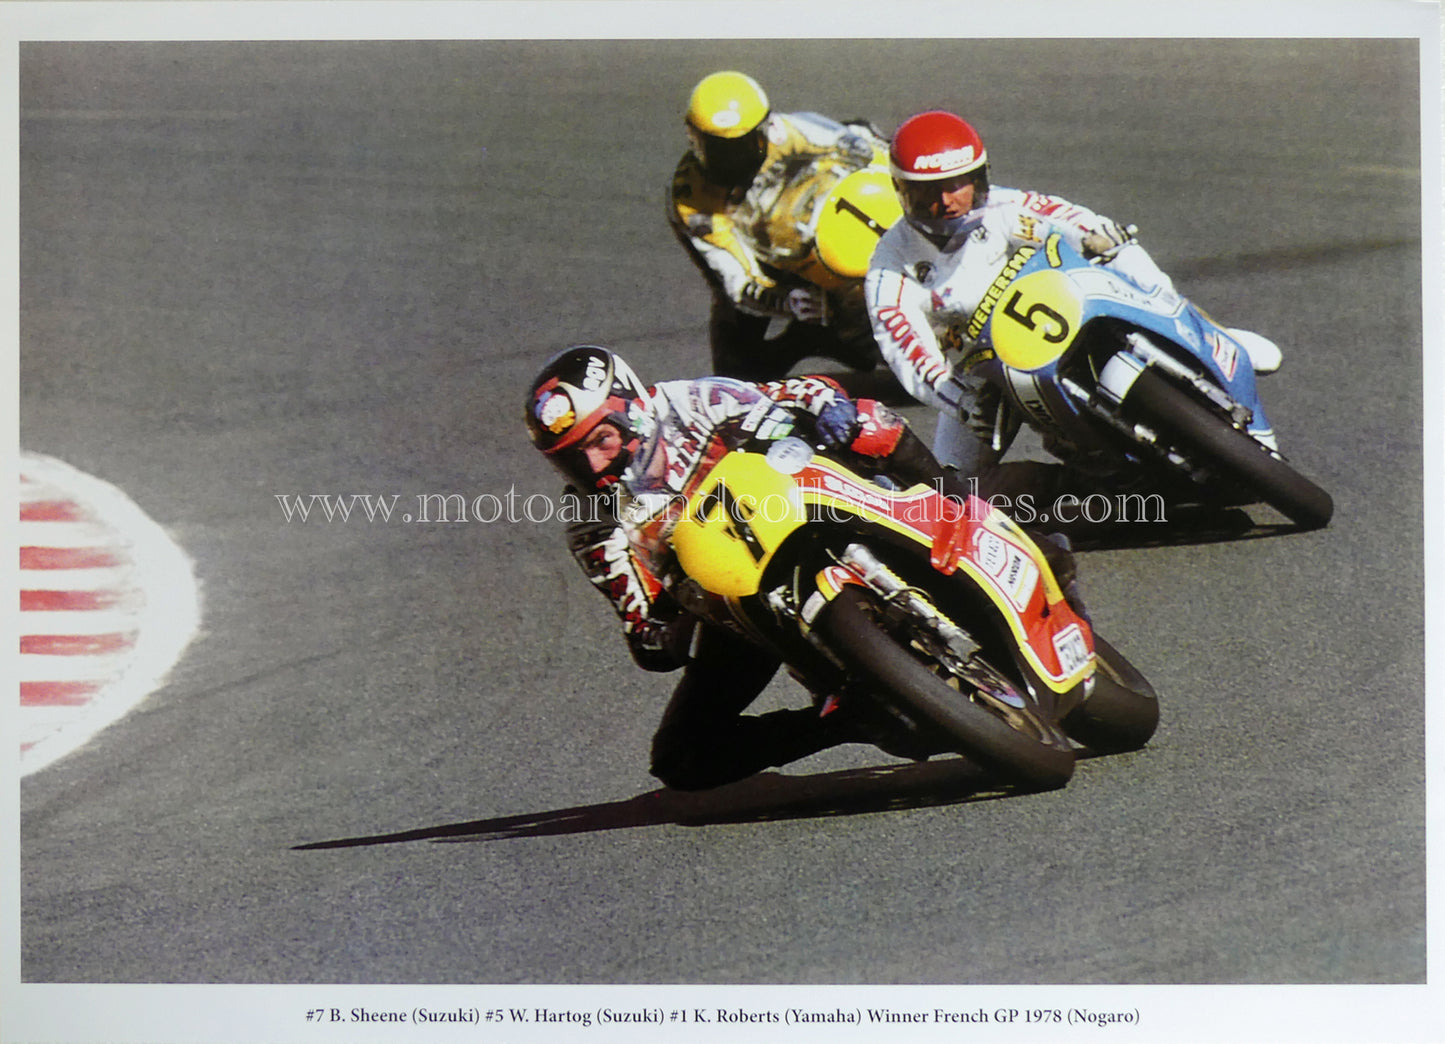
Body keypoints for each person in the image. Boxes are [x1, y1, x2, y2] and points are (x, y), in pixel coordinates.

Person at [525, 343, 989, 791]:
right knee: (680, 758)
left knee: (867, 420)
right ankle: (847, 716)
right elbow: (647, 637)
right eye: (571, 459)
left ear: (631, 409)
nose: (593, 464)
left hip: (803, 507)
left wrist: (826, 410)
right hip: (732, 598)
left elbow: (800, 393)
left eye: (600, 440)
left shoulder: (690, 401)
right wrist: (664, 626)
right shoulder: (593, 525)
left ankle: (967, 514)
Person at [864, 109, 1283, 502]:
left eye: (958, 183)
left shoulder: (1004, 209)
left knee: (1123, 254)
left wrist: (1097, 235)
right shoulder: (890, 266)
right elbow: (907, 350)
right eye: (927, 191)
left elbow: (1063, 217)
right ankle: (1088, 487)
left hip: (1063, 312)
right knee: (953, 491)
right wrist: (957, 399)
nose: (947, 201)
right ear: (902, 192)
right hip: (982, 375)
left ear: (980, 177)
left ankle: (1200, 331)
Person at [667, 71, 894, 381]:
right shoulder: (691, 198)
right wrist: (787, 301)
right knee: (737, 377)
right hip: (776, 268)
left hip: (847, 235)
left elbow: (872, 149)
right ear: (692, 137)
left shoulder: (796, 131)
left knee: (887, 356)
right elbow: (738, 279)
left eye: (740, 146)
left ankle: (853, 335)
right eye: (715, 147)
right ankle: (806, 337)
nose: (730, 160)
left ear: (766, 128)